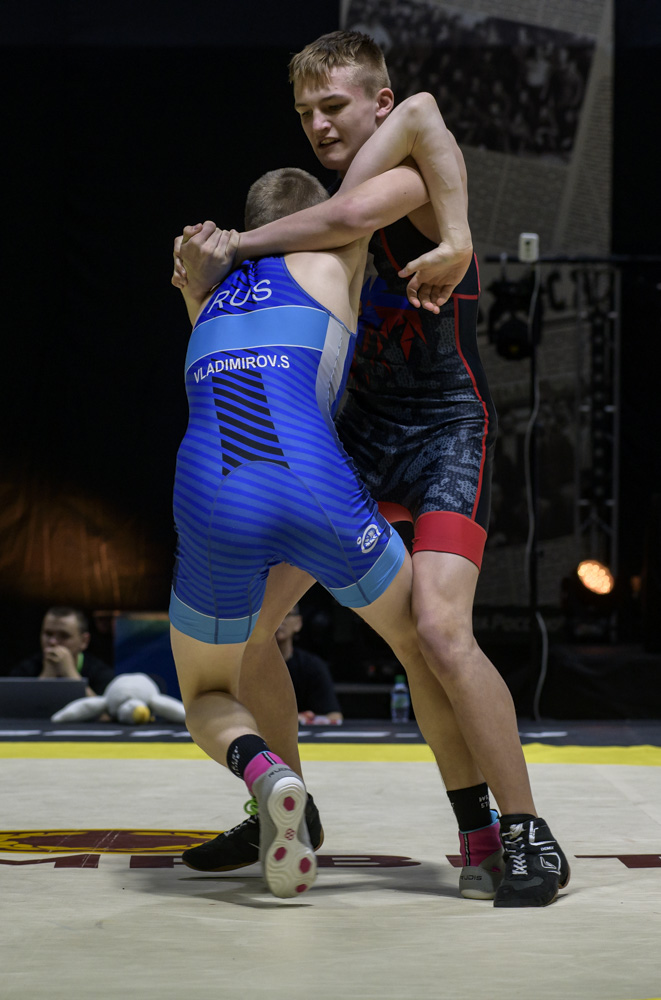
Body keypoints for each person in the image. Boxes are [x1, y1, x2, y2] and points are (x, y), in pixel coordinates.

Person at [174, 30, 570, 908]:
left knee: (439, 630)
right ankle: (283, 807)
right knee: (248, 636)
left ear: (379, 106)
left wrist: (456, 231)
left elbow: (383, 169)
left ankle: (520, 829)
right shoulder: (313, 216)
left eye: (334, 106)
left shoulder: (398, 185)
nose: (317, 124)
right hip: (351, 437)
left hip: (442, 431)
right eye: (304, 113)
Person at [171, 162, 441, 898]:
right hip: (313, 478)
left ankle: (268, 777)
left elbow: (203, 288)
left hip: (212, 492)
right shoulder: (334, 257)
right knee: (430, 648)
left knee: (207, 694)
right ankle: (484, 829)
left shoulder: (205, 287)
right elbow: (415, 157)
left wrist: (200, 263)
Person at [9, 606, 114, 697]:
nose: (53, 642)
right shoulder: (24, 671)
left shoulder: (101, 673)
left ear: (84, 641)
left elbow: (104, 712)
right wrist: (46, 677)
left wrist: (70, 674)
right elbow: (13, 709)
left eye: (64, 636)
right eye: (48, 634)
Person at [276, 605, 343, 725]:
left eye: (286, 614)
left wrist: (305, 719)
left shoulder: (312, 666)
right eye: (274, 614)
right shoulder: (248, 667)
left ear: (298, 623)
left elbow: (334, 716)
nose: (279, 620)